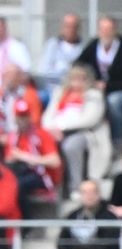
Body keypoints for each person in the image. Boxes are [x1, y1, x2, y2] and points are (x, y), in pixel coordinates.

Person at [75, 17, 122, 142]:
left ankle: (116, 139)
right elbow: (78, 65)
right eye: (102, 29)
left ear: (115, 31)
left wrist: (108, 86)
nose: (105, 33)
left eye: (108, 29)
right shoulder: (93, 47)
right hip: (98, 91)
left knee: (114, 101)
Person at [43, 63, 110, 193]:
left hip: (86, 133)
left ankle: (75, 187)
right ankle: (51, 188)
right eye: (74, 78)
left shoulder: (94, 95)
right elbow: (47, 117)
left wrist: (61, 127)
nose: (77, 82)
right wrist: (51, 128)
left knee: (71, 146)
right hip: (56, 131)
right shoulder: (60, 94)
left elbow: (89, 120)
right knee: (45, 143)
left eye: (81, 79)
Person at [42, 178, 121, 249]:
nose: (89, 196)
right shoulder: (72, 216)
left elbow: (110, 244)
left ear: (99, 194)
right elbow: (62, 239)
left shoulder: (109, 216)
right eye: (85, 192)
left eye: (92, 192)